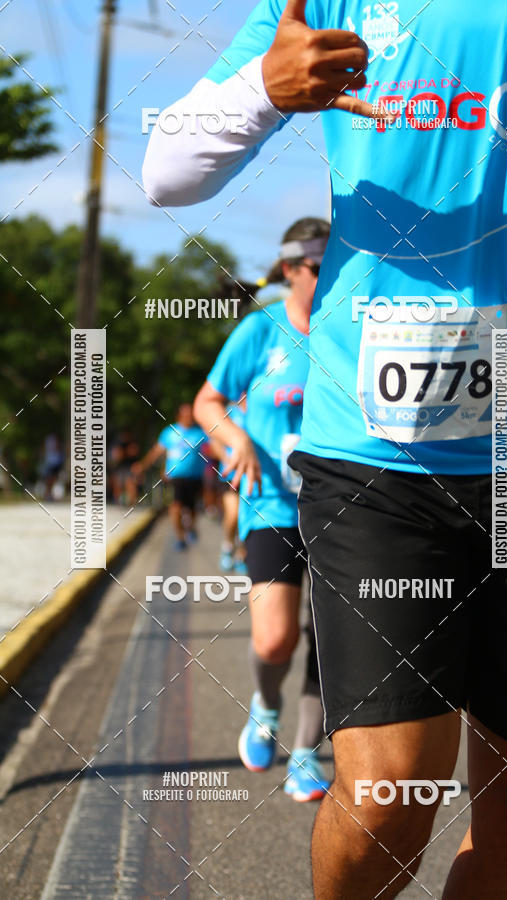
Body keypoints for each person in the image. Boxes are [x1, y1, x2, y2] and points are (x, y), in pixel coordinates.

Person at [144, 4, 507, 897]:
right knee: (390, 794)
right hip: (379, 460)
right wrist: (261, 91)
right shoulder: (331, 4)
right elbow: (167, 172)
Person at [194, 217, 332, 803]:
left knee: (331, 640)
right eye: (320, 269)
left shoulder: (352, 328)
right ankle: (266, 705)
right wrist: (235, 439)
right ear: (291, 270)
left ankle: (305, 752)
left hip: (341, 509)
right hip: (272, 502)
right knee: (275, 639)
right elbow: (208, 402)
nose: (331, 280)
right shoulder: (261, 330)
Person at [133, 403, 208, 551]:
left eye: (191, 414)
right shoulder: (170, 432)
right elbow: (157, 451)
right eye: (186, 414)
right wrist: (143, 465)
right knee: (176, 506)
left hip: (194, 477)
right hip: (175, 476)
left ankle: (191, 527)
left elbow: (213, 450)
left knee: (192, 508)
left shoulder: (201, 433)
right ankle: (180, 537)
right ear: (179, 416)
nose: (189, 417)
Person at [211, 400, 248, 573]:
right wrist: (227, 460)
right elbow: (215, 441)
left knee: (246, 516)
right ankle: (227, 547)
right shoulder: (229, 411)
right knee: (233, 514)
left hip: (254, 474)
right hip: (231, 475)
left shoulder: (259, 406)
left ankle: (243, 553)